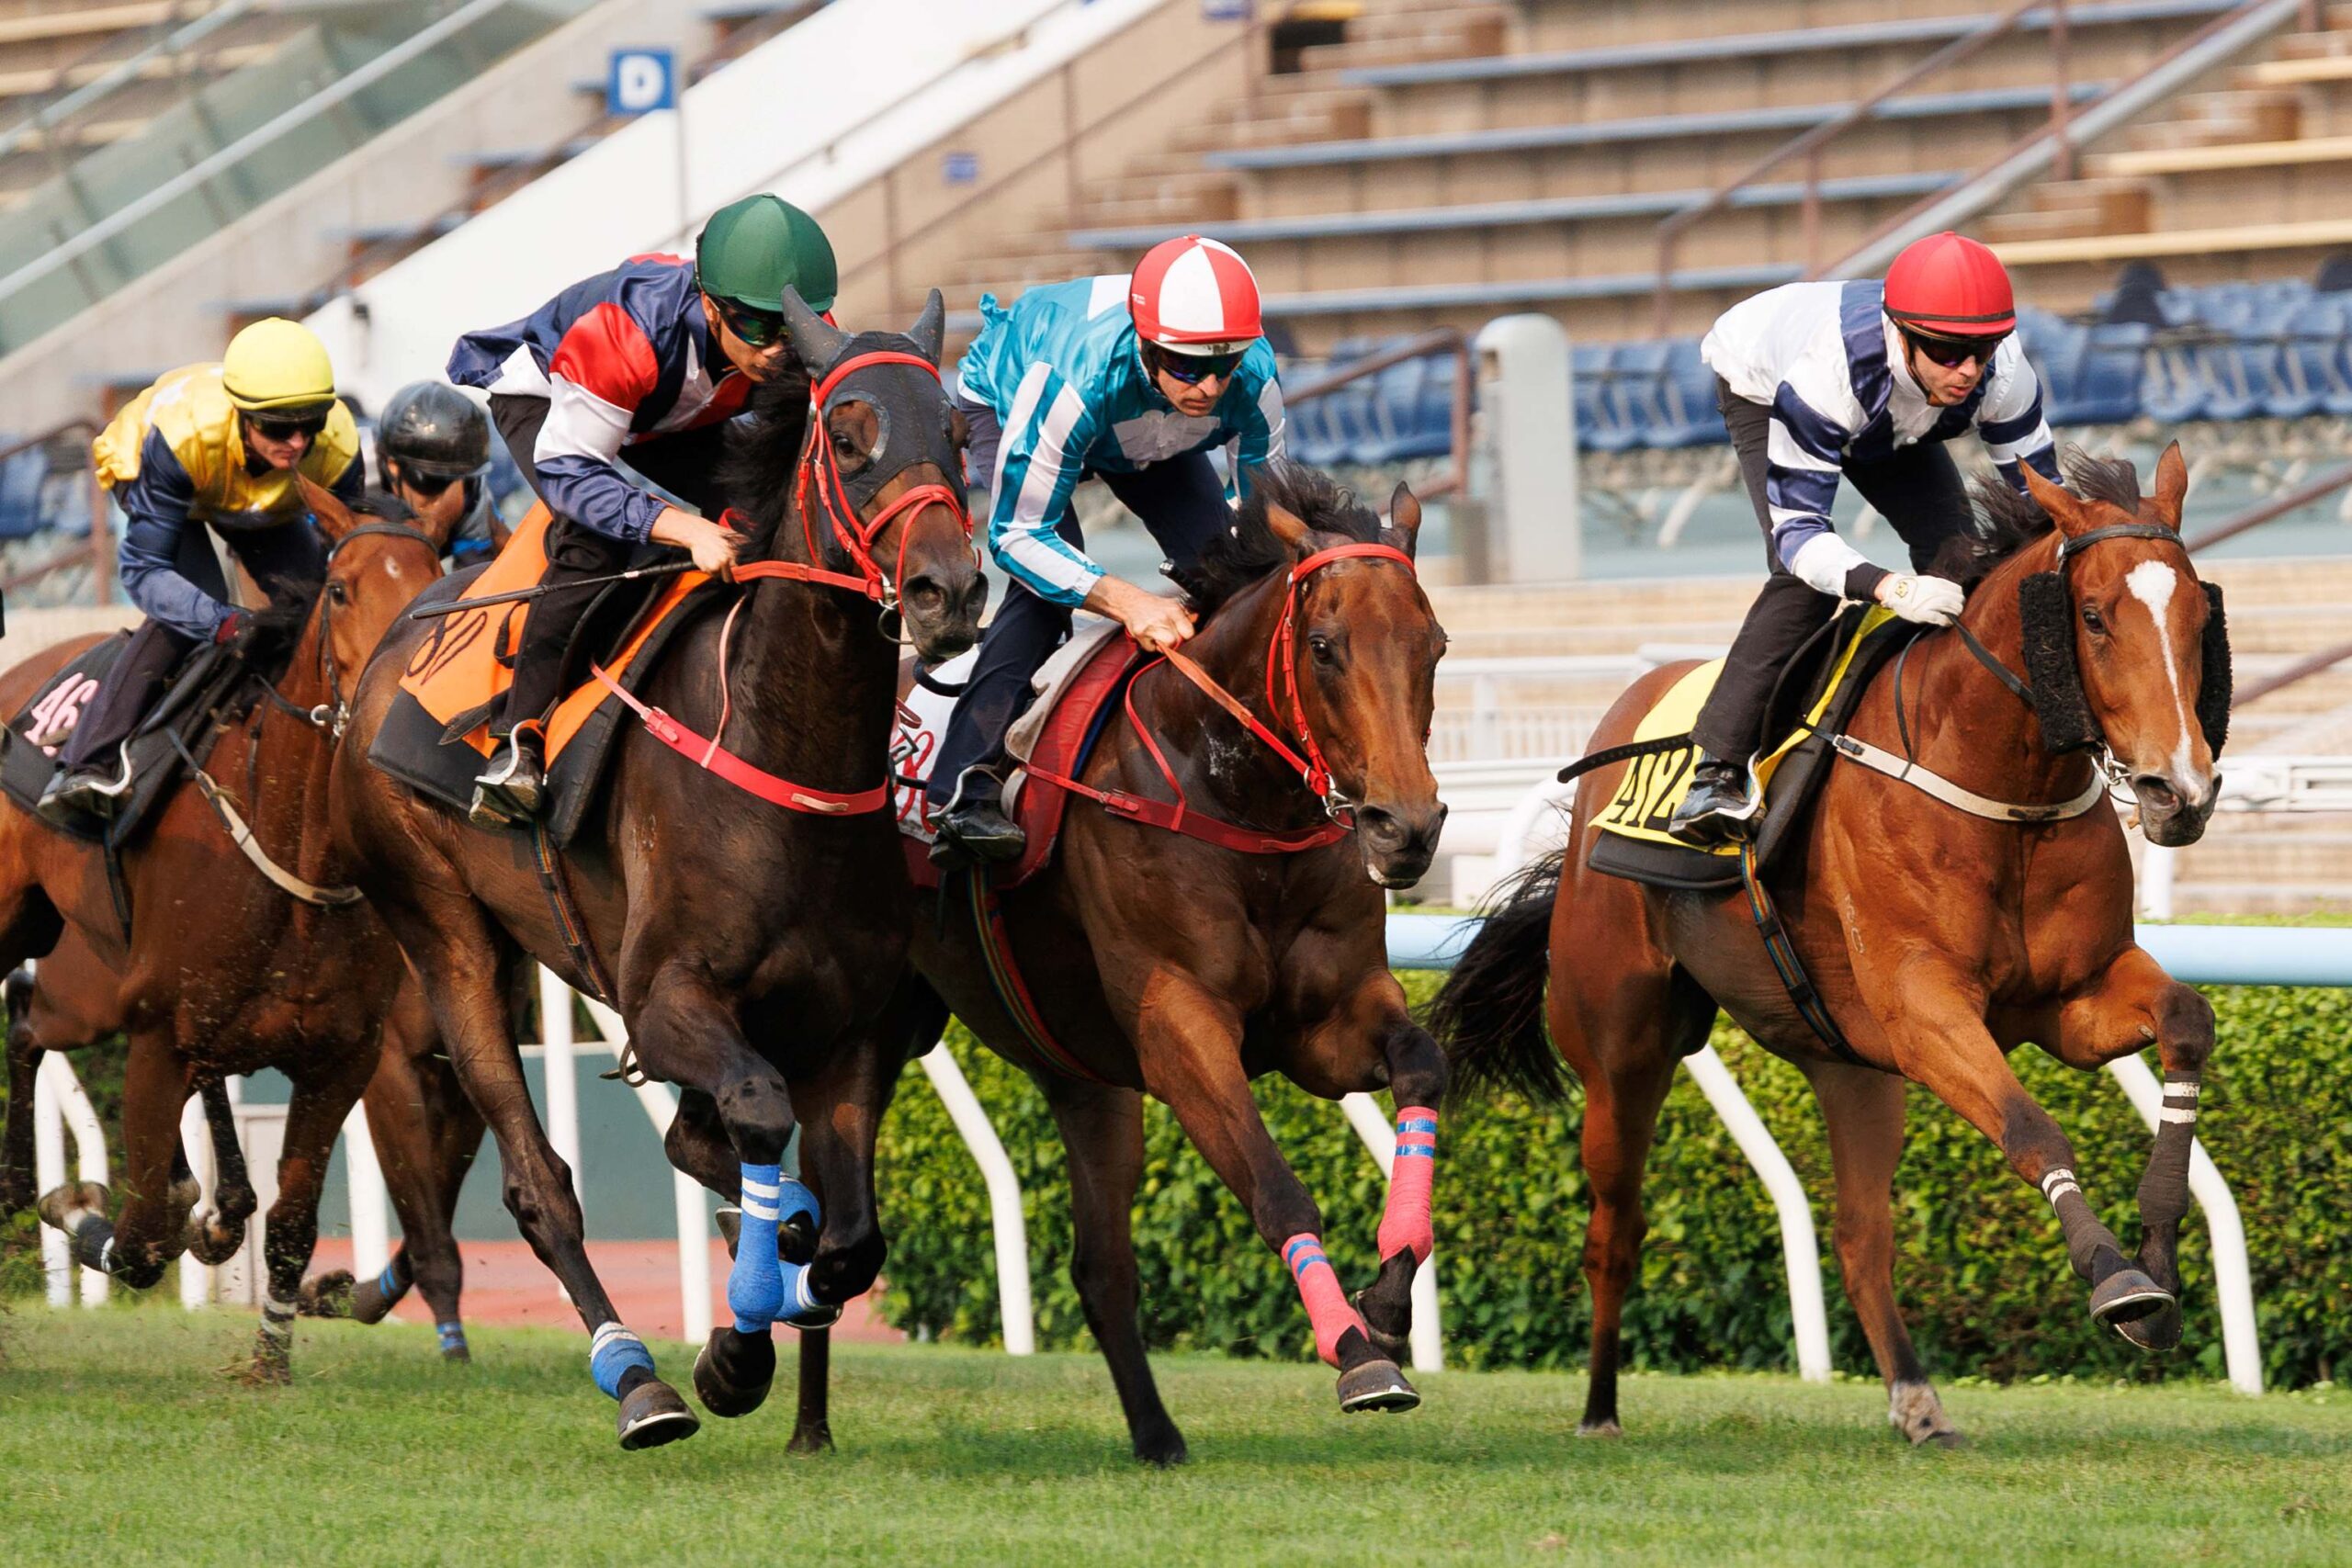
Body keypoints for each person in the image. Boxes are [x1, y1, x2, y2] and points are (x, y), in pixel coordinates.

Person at [445, 193, 836, 826]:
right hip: (552, 400)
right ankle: (517, 741)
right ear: (711, 307)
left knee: (764, 514)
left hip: (661, 413)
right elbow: (572, 474)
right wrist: (685, 528)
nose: (778, 349)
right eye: (759, 328)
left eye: (794, 326)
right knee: (595, 541)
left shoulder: (785, 335)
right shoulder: (622, 332)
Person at [1666, 231, 2061, 848]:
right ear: (1901, 334)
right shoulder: (1828, 377)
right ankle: (1713, 771)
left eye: (1981, 351)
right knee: (1802, 585)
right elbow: (1801, 537)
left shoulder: (2004, 373)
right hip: (1765, 382)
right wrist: (1892, 587)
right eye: (1949, 352)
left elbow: (2046, 504)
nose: (1968, 371)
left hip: (1890, 407)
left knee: (1963, 558)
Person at [925, 234, 1286, 865]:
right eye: (1183, 365)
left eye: (1220, 367)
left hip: (1142, 429)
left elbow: (1266, 529)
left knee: (1233, 572)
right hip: (1019, 400)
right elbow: (1015, 537)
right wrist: (1126, 599)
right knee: (1047, 594)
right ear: (1146, 346)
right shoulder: (1077, 377)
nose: (1204, 387)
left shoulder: (1254, 376)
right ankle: (962, 786)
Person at [37, 318, 363, 821]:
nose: (298, 443)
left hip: (258, 495)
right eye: (279, 427)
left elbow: (354, 555)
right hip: (165, 471)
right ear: (242, 416)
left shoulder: (338, 443)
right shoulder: (181, 438)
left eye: (310, 423)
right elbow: (145, 572)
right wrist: (222, 622)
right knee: (194, 603)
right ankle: (86, 760)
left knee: (312, 602)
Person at [374, 380, 506, 566]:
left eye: (451, 481)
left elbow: (477, 580)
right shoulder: (363, 482)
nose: (438, 507)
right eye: (430, 484)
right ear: (393, 467)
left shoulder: (475, 499)